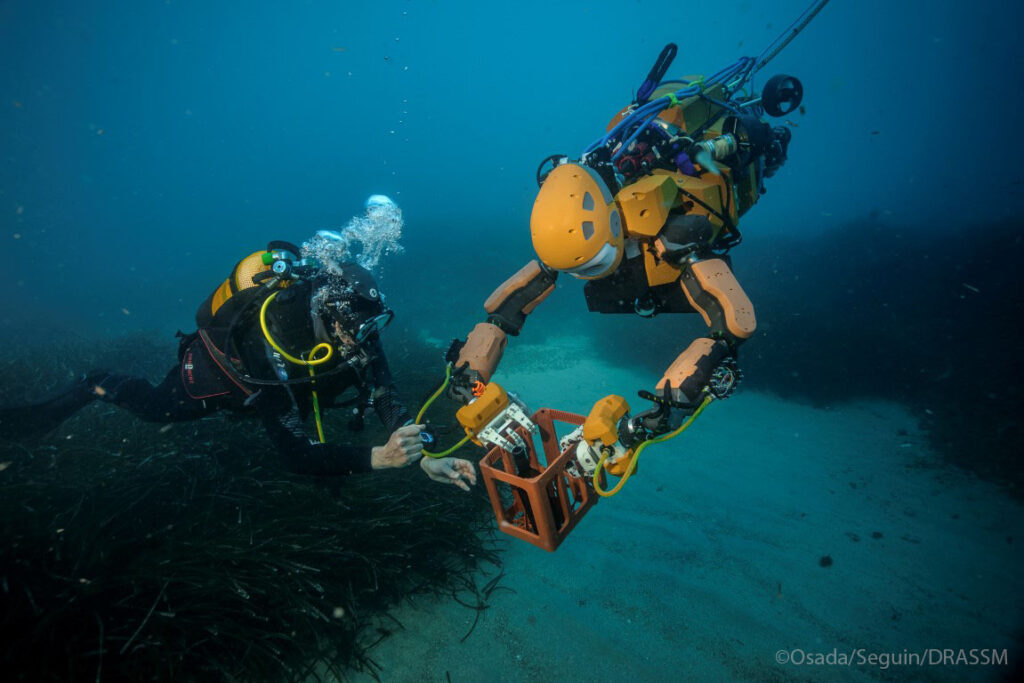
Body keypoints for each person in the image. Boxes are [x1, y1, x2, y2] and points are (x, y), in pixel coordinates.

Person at [445, 46, 802, 470]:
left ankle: (769, 143)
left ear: (615, 229)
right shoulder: (577, 223)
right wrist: (473, 382)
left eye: (591, 266)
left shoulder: (672, 233)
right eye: (575, 268)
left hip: (698, 177)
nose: (585, 275)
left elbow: (734, 322)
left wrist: (644, 426)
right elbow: (501, 314)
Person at [0, 202, 476, 491]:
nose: (365, 345)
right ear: (326, 317)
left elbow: (383, 392)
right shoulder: (269, 342)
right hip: (222, 375)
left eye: (372, 330)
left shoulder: (356, 327)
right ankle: (95, 385)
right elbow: (295, 455)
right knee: (157, 410)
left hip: (296, 382)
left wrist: (424, 457)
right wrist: (378, 458)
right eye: (355, 331)